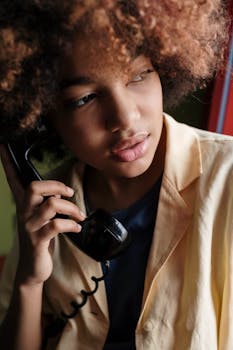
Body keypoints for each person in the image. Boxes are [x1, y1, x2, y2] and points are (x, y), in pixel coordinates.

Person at [0, 1, 232, 349]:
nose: (124, 119)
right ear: (41, 118)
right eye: (85, 98)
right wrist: (30, 283)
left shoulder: (227, 177)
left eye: (138, 75)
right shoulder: (46, 212)